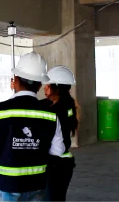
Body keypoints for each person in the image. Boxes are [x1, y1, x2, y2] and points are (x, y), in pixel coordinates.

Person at [0, 52, 65, 202]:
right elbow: (58, 150)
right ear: (39, 84)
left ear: (15, 80)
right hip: (37, 184)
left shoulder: (0, 111)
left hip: (7, 186)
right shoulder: (50, 114)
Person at [41, 65, 79, 202]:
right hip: (62, 164)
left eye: (48, 85)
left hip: (57, 165)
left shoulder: (59, 110)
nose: (44, 88)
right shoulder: (64, 104)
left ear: (57, 88)